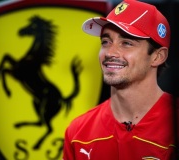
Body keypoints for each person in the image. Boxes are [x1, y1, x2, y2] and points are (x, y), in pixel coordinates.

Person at [62, 0, 177, 159]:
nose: (110, 52)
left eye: (126, 43)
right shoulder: (78, 132)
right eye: (106, 42)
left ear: (157, 56)